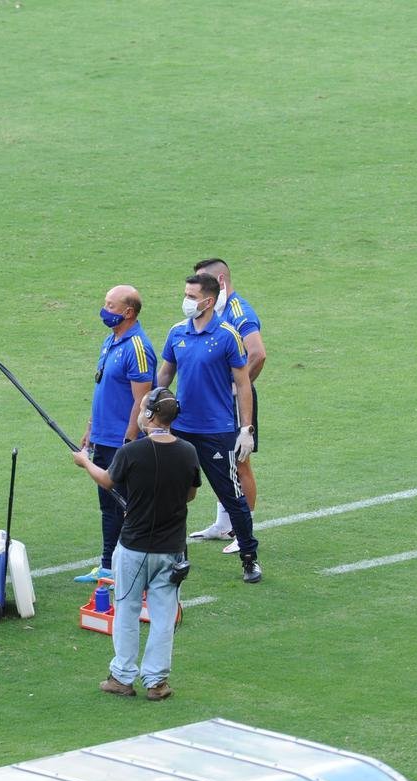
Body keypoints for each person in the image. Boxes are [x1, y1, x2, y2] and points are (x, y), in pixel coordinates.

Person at [72, 387, 200, 701]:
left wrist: (85, 463)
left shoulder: (131, 453)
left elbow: (107, 480)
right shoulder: (188, 452)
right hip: (171, 550)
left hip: (134, 548)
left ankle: (122, 676)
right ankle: (156, 682)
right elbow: (190, 495)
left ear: (152, 415)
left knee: (127, 611)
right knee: (163, 616)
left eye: (143, 409)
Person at [156, 273, 262, 583]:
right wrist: (151, 408)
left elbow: (243, 384)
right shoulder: (177, 333)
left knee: (232, 496)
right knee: (174, 496)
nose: (186, 300)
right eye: (186, 293)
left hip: (216, 431)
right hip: (181, 429)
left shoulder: (228, 335)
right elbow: (164, 376)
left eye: (192, 295)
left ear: (209, 300)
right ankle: (179, 557)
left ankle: (249, 557)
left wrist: (246, 429)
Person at [74, 285, 156, 584]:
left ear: (128, 312)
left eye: (110, 305)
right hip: (104, 438)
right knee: (108, 505)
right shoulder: (111, 341)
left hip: (122, 441)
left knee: (125, 506)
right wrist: (90, 428)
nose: (104, 310)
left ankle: (129, 567)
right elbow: (102, 389)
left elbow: (142, 400)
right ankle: (109, 565)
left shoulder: (137, 347)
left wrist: (130, 441)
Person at [190, 258, 268, 553]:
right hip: (215, 400)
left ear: (219, 281)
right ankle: (224, 523)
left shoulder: (238, 311)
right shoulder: (216, 310)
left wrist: (237, 388)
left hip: (232, 400)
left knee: (240, 460)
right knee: (221, 459)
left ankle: (242, 528)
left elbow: (258, 353)